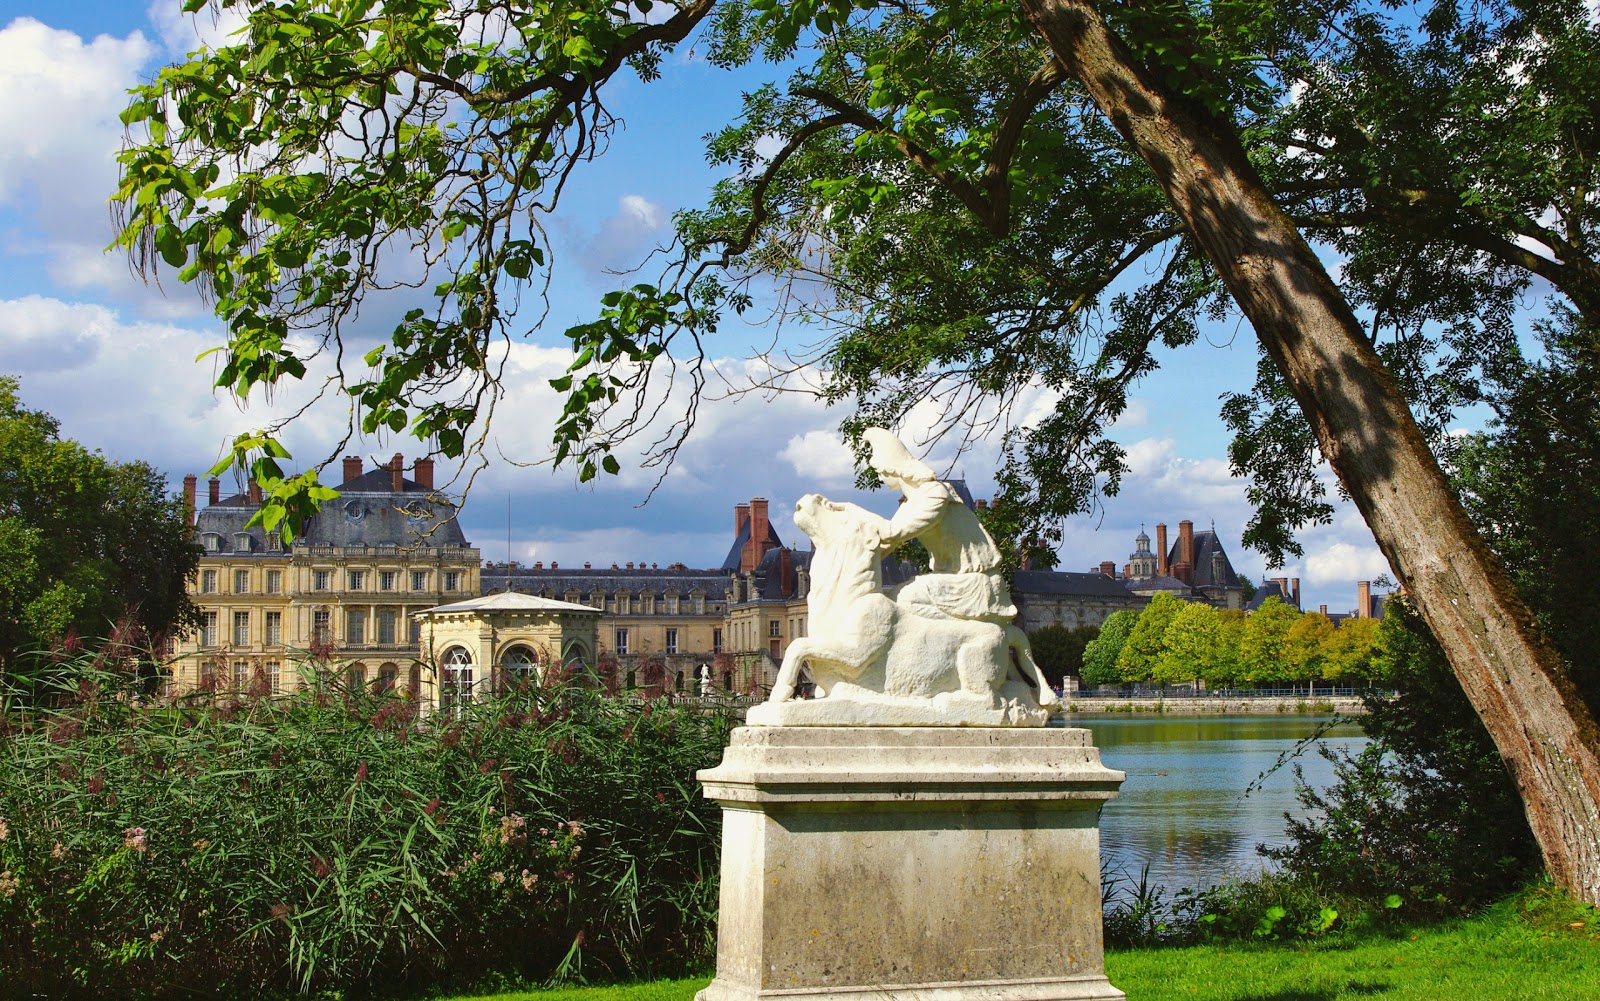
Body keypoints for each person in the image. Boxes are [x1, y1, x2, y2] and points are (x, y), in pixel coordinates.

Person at [862, 427, 1017, 624]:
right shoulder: (910, 505)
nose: (880, 477)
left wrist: (851, 515)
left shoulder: (934, 493)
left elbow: (895, 532)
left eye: (879, 471)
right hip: (952, 578)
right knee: (894, 597)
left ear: (892, 467)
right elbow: (883, 546)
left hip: (975, 582)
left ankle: (960, 633)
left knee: (902, 600)